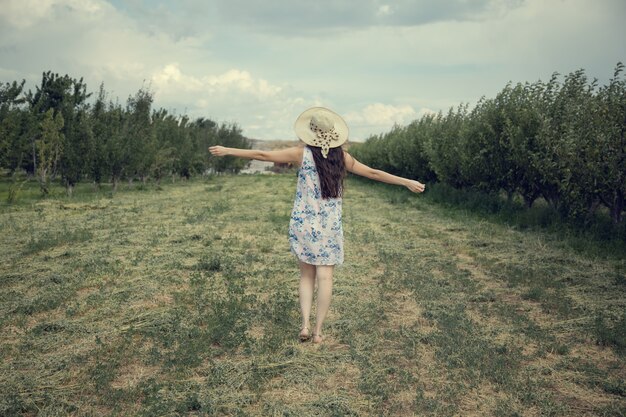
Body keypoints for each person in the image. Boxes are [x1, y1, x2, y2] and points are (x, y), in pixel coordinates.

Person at [209, 107, 425, 344]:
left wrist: (228, 150)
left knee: (306, 276)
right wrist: (405, 181)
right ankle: (318, 332)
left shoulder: (301, 154)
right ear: (333, 134)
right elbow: (373, 173)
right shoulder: (342, 158)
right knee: (325, 278)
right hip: (329, 225)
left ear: (311, 133)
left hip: (303, 222)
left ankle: (304, 325)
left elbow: (264, 155)